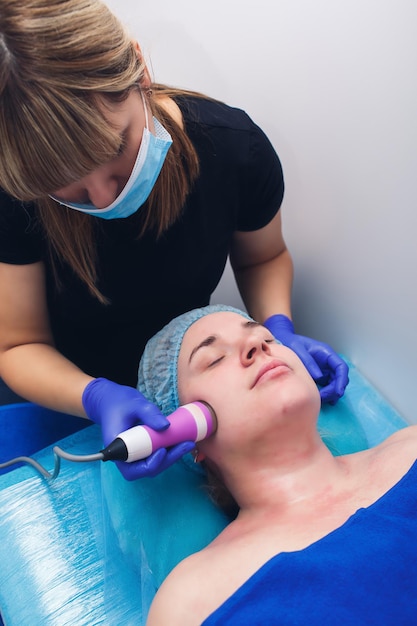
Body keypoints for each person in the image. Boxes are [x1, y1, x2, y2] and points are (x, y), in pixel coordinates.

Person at [0, 0, 348, 481]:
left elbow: (263, 258)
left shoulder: (233, 151)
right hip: (55, 394)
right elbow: (17, 344)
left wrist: (279, 326)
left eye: (116, 151)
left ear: (140, 70)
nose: (104, 197)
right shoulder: (18, 192)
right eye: (71, 186)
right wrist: (95, 396)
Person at [137, 305, 417, 625]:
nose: (258, 346)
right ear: (188, 431)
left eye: (266, 337)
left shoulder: (411, 447)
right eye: (214, 358)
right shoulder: (188, 600)